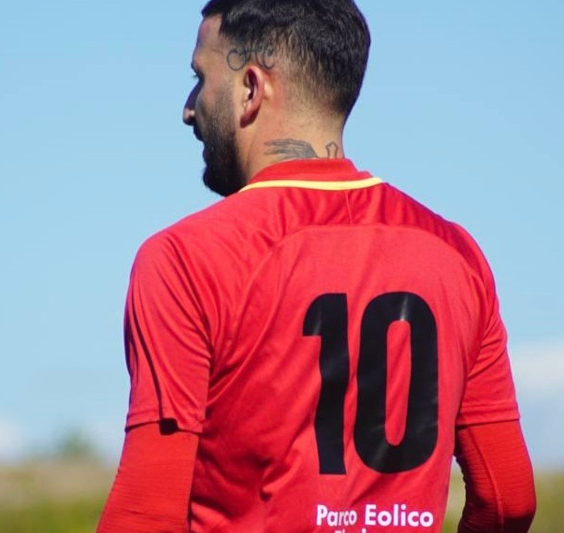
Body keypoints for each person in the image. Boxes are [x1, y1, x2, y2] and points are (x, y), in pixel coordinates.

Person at [98, 1, 537, 531]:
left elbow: (146, 513)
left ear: (251, 89)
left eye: (200, 78)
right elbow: (508, 497)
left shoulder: (185, 258)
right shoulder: (457, 254)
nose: (189, 108)